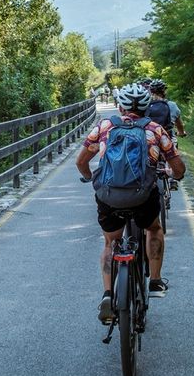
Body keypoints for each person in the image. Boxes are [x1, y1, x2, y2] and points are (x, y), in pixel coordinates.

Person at [76, 83, 186, 322]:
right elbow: (176, 166)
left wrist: (88, 177)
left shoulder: (104, 126)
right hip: (142, 196)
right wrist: (177, 175)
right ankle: (155, 281)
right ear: (147, 107)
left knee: (109, 243)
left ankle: (107, 294)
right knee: (154, 229)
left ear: (120, 107)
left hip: (108, 196)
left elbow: (81, 162)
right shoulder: (155, 129)